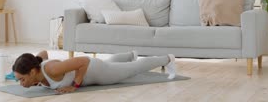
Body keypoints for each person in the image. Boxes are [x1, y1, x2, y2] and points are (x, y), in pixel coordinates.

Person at [12, 50, 176, 94]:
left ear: (33, 71)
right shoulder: (36, 66)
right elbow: (42, 53)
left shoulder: (53, 69)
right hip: (95, 69)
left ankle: (168, 59)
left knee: (134, 68)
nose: (21, 83)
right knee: (112, 64)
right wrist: (27, 78)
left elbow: (84, 61)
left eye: (21, 79)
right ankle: (130, 54)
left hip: (99, 73)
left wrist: (74, 85)